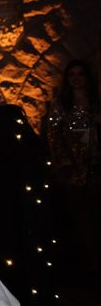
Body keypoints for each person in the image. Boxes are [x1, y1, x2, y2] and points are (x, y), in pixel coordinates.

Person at [47, 59, 101, 278]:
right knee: (80, 220)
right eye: (72, 75)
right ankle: (88, 268)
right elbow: (54, 137)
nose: (77, 78)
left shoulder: (96, 103)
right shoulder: (61, 105)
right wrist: (65, 165)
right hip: (73, 171)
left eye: (81, 74)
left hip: (96, 167)